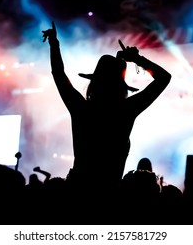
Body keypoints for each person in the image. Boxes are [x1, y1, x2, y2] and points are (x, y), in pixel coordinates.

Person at [42, 21, 171, 192]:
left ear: (94, 83)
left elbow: (58, 74)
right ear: (121, 87)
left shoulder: (81, 107)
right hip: (108, 191)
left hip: (77, 188)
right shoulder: (126, 109)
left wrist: (54, 44)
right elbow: (164, 78)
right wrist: (137, 60)